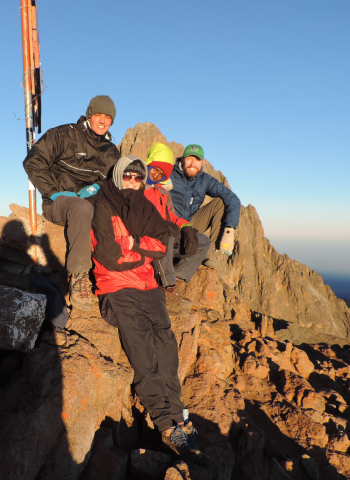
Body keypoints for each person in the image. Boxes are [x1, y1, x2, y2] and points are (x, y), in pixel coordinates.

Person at [90, 155, 208, 465]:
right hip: (117, 289)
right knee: (144, 358)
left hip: (149, 287)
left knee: (167, 351)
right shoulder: (103, 205)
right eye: (127, 176)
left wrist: (134, 244)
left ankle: (180, 418)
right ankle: (167, 426)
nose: (132, 182)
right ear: (117, 176)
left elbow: (162, 243)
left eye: (138, 177)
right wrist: (143, 251)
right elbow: (110, 256)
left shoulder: (145, 206)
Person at [23, 95, 120, 311]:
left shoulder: (111, 151)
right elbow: (33, 161)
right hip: (58, 203)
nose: (102, 121)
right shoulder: (63, 135)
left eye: (108, 117)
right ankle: (78, 277)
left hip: (91, 203)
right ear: (89, 115)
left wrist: (97, 187)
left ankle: (115, 278)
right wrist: (55, 193)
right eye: (98, 115)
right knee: (81, 207)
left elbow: (114, 182)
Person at [143, 143, 210, 290]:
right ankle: (165, 281)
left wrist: (186, 227)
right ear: (148, 165)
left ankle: (177, 278)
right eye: (155, 169)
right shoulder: (137, 187)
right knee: (165, 234)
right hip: (148, 242)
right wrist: (162, 225)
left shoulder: (162, 193)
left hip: (166, 243)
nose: (157, 175)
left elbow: (171, 216)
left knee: (203, 241)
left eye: (162, 173)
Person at [169, 144, 241, 265]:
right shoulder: (169, 174)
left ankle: (207, 256)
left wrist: (229, 230)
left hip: (190, 225)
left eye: (197, 160)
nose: (193, 163)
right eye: (189, 158)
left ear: (203, 162)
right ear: (182, 159)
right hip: (171, 225)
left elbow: (232, 198)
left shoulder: (204, 180)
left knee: (220, 203)